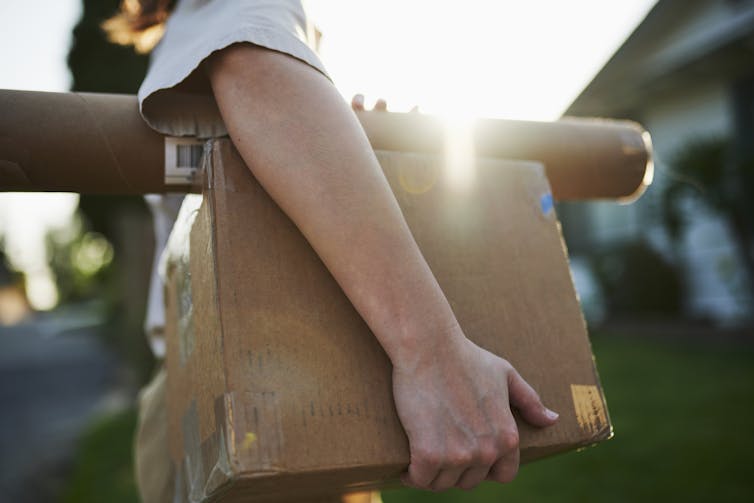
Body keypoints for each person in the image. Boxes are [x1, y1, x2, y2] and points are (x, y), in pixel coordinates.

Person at [106, 1, 559, 500]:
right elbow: (252, 61)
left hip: (271, 379)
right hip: (250, 393)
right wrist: (433, 355)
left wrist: (351, 151)